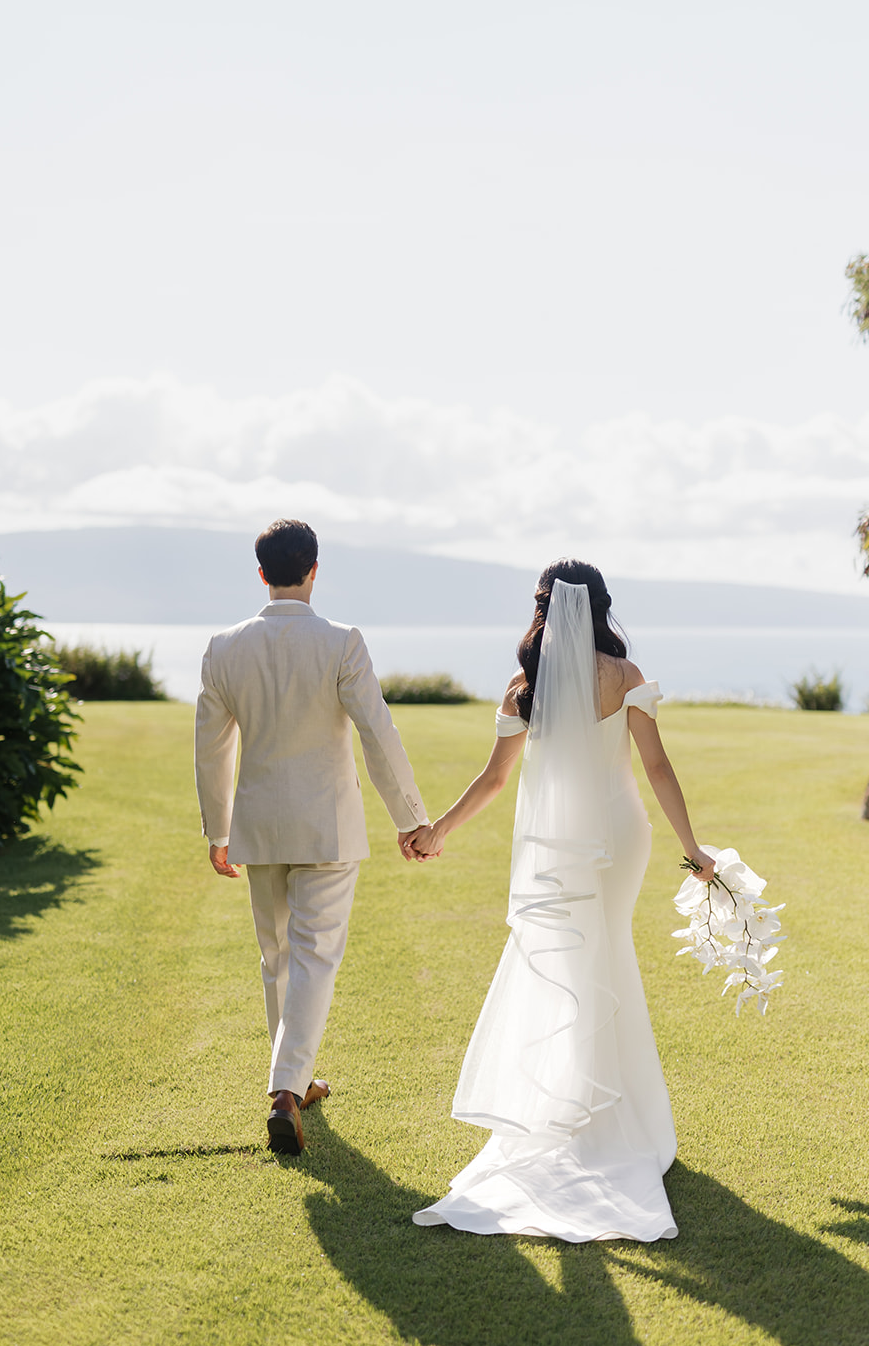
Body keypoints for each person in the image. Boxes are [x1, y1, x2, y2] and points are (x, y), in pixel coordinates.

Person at [407, 559, 715, 1242]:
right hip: (618, 834)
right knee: (604, 962)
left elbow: (494, 780)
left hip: (555, 844)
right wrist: (692, 845)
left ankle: (581, 1109)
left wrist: (439, 832)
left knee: (579, 969)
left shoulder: (525, 685)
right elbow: (656, 767)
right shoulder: (624, 678)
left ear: (542, 609)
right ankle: (611, 1120)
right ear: (602, 607)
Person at [194, 518, 432, 1155]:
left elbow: (211, 751)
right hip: (326, 825)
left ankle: (292, 1079)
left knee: (277, 957)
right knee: (313, 956)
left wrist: (217, 830)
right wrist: (411, 817)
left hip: (259, 824)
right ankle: (286, 1088)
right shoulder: (342, 641)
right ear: (315, 569)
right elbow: (378, 734)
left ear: (262, 572)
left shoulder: (223, 647)